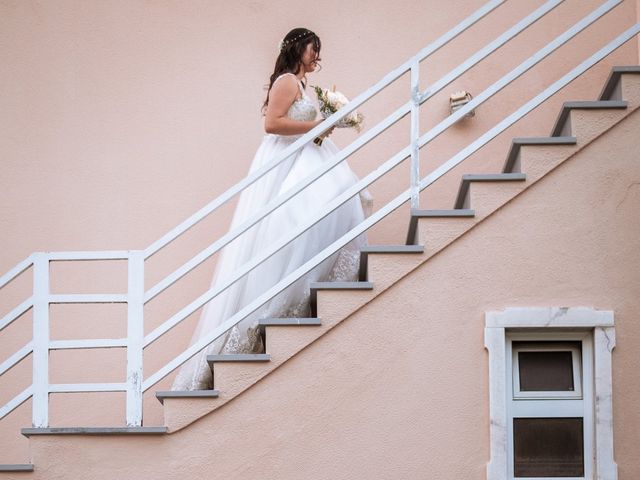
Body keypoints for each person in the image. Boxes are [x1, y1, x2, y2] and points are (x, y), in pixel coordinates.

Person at [172, 28, 371, 391]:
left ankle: (308, 283)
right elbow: (272, 124)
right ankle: (275, 301)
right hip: (286, 160)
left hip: (306, 155)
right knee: (292, 220)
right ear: (299, 48)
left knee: (333, 203)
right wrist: (319, 124)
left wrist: (324, 125)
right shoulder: (286, 82)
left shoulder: (303, 85)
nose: (317, 57)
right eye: (314, 49)